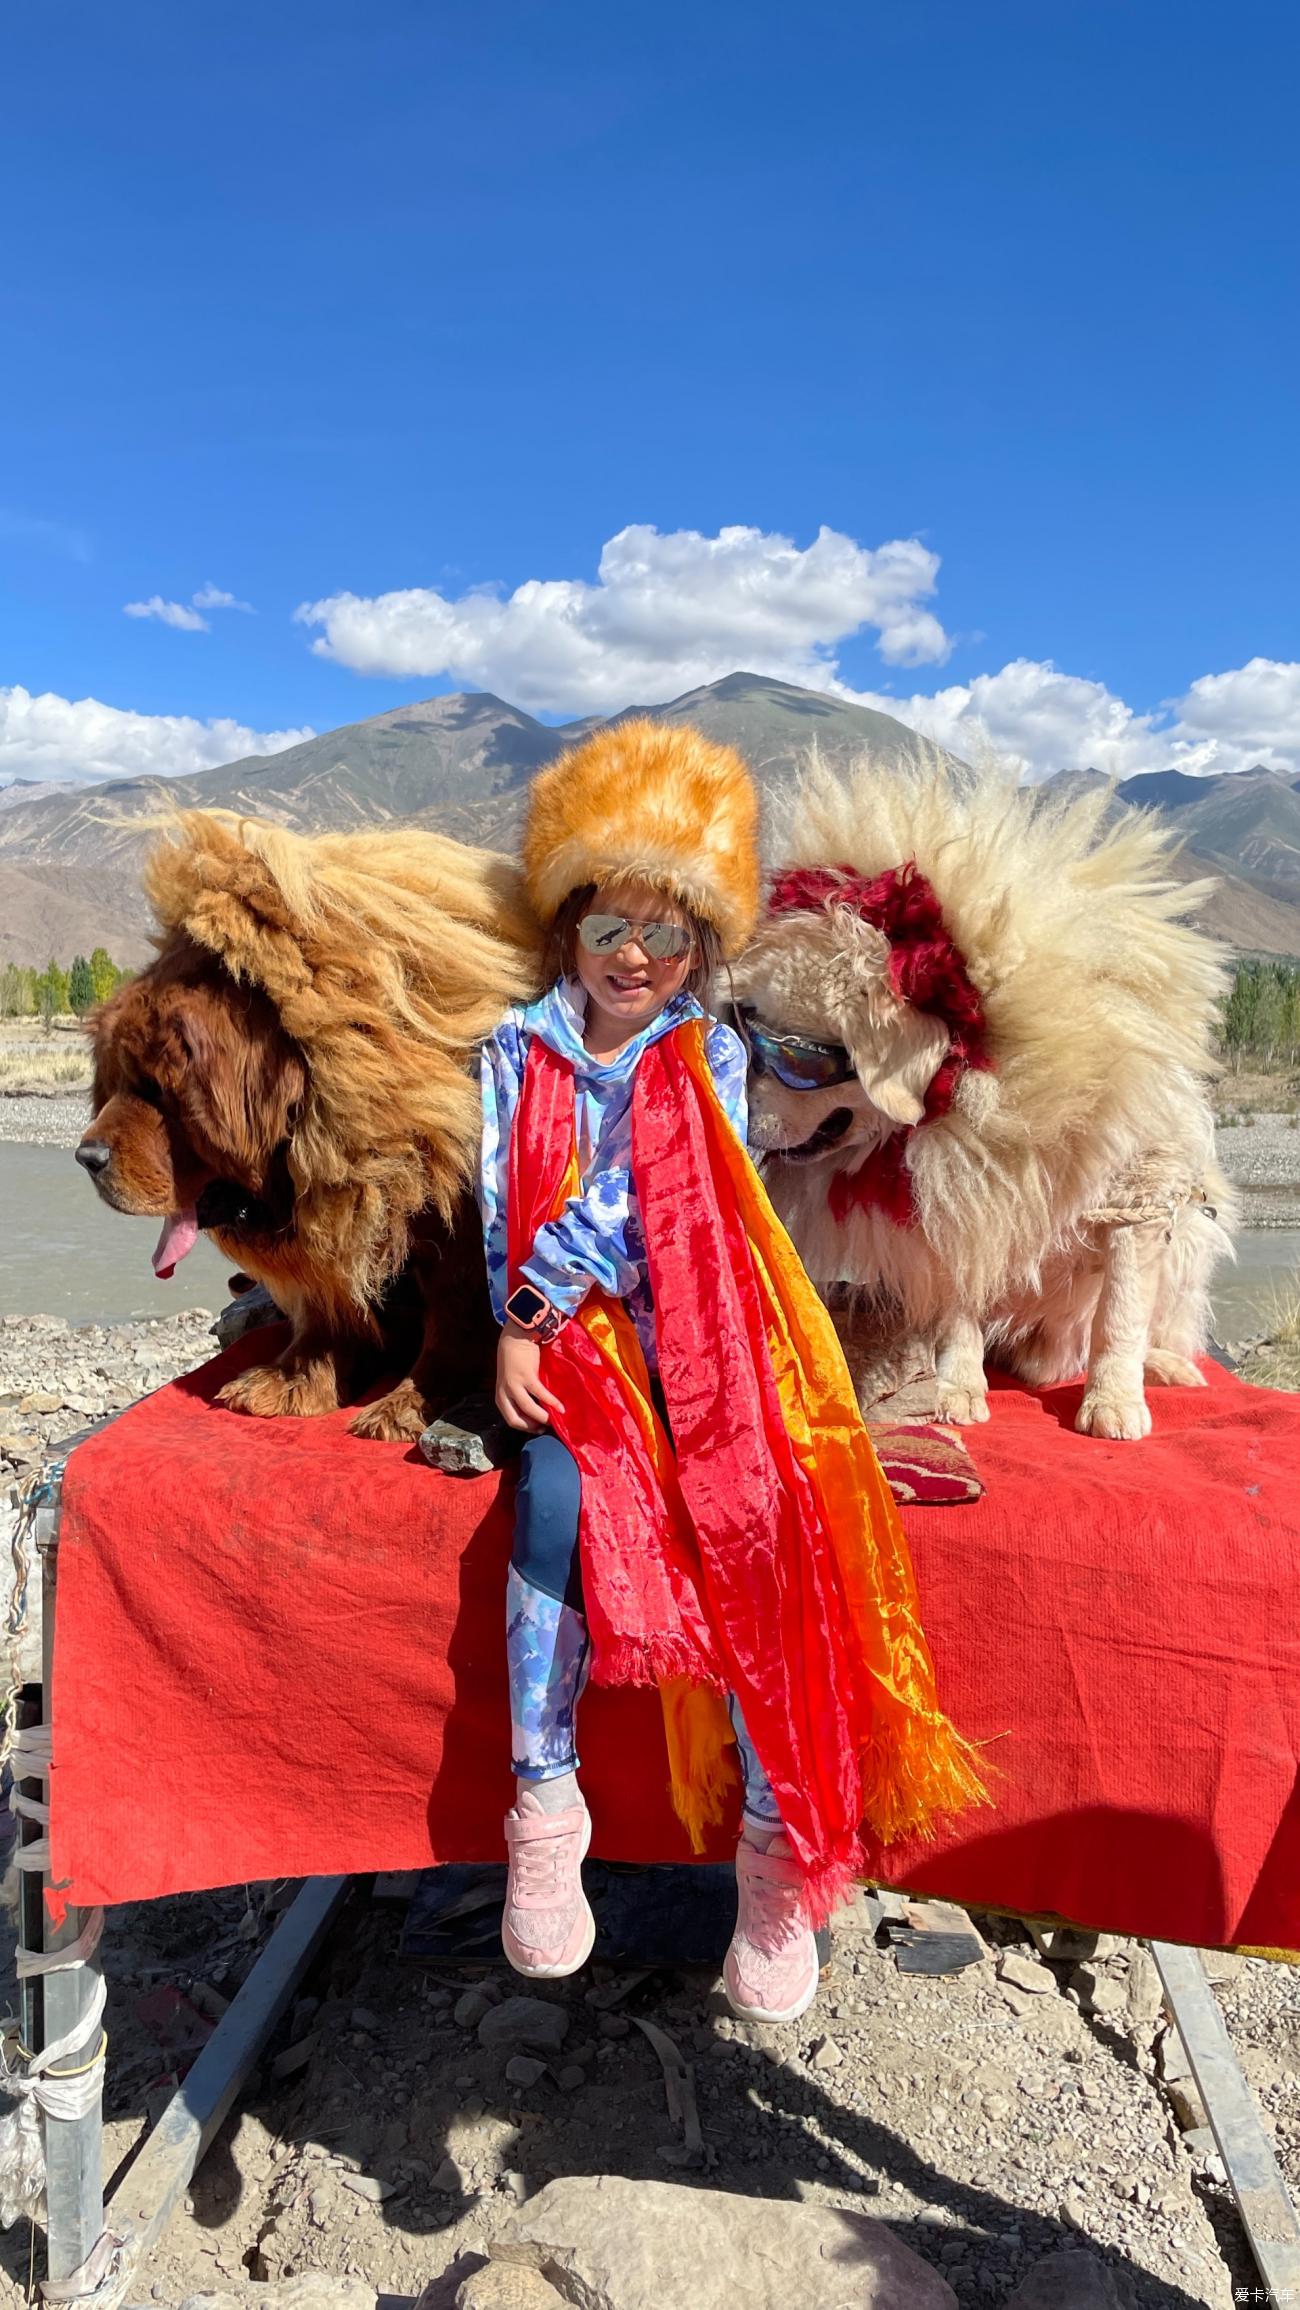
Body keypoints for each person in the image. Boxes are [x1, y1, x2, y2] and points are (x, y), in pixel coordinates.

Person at [478, 719, 985, 2025]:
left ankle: (773, 1844)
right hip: (575, 1363)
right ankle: (544, 1798)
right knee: (547, 1505)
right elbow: (500, 1208)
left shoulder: (707, 1055)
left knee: (762, 1520)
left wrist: (535, 1295)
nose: (637, 952)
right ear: (570, 928)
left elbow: (659, 1207)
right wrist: (520, 1316)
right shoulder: (515, 1053)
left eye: (669, 927)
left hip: (706, 1344)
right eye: (611, 923)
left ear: (702, 942)